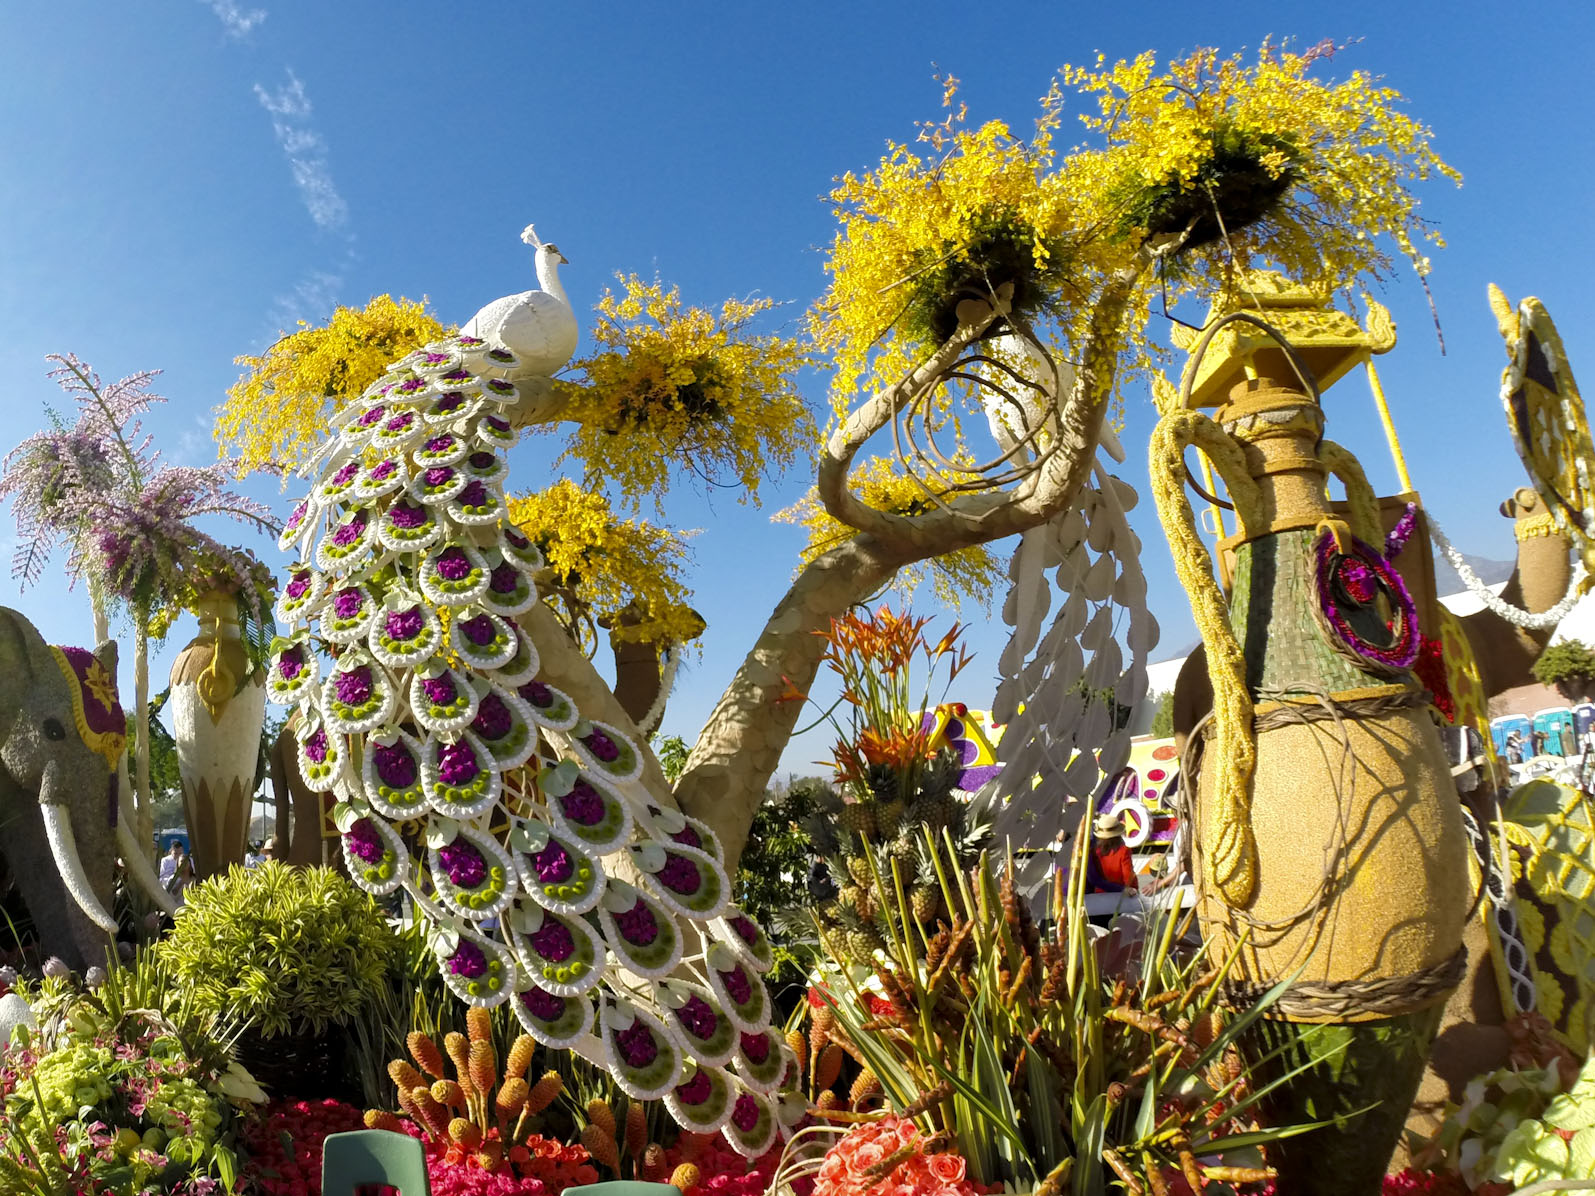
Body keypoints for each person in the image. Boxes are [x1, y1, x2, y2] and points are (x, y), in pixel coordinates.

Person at [1085, 812, 1139, 894]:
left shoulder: (1093, 851)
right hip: (1121, 893)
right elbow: (1128, 876)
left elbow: (1094, 878)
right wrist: (1132, 888)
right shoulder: (1124, 851)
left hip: (1100, 893)